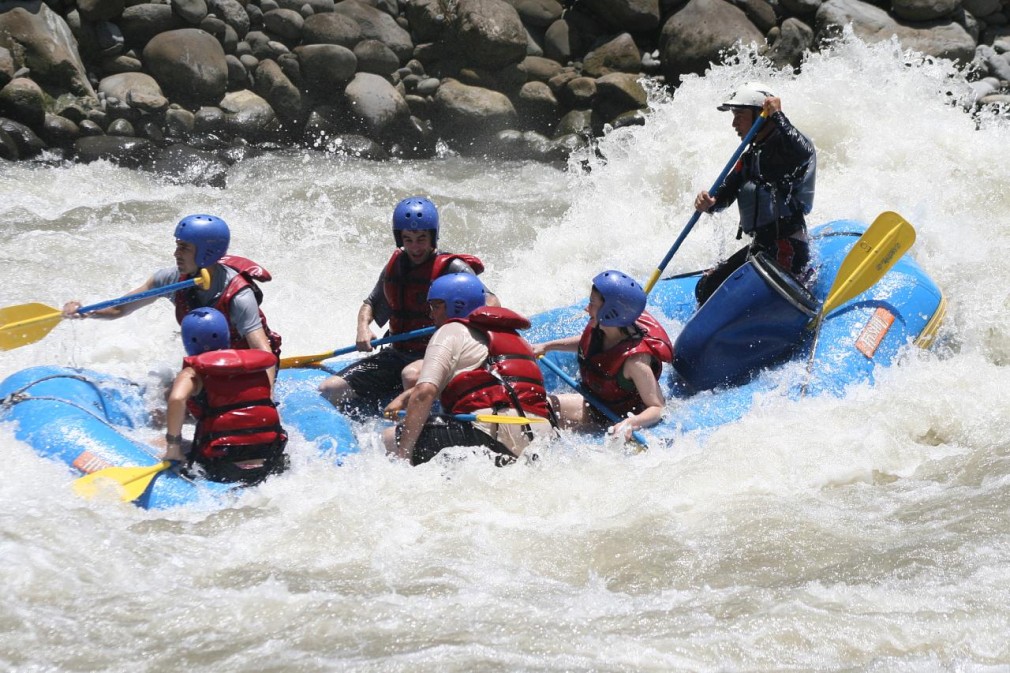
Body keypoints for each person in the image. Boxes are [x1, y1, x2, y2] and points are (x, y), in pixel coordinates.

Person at [319, 196, 499, 410]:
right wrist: (363, 329)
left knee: (410, 375)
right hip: (397, 353)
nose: (415, 247)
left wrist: (461, 324)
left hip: (437, 354)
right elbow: (371, 303)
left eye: (421, 238)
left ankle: (414, 427)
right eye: (408, 239)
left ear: (433, 236)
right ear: (400, 238)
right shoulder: (395, 267)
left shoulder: (451, 268)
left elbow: (491, 301)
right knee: (329, 389)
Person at [63, 214, 282, 378]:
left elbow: (264, 354)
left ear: (207, 252)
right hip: (208, 361)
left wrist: (267, 402)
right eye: (177, 246)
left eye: (184, 248)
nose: (176, 254)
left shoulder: (239, 295)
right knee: (161, 386)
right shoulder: (171, 279)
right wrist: (85, 312)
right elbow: (120, 308)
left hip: (243, 365)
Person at [382, 273, 553, 466]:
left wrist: (404, 455)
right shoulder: (517, 338)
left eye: (436, 306)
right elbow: (489, 381)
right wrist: (404, 399)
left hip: (495, 435)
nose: (431, 314)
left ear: (457, 305)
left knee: (389, 437)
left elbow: (425, 392)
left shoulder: (450, 331)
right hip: (539, 440)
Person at [693, 82, 816, 306]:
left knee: (759, 300)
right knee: (706, 287)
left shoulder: (786, 147)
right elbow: (725, 195)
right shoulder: (750, 156)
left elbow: (803, 154)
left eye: (739, 115)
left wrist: (778, 115)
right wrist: (709, 202)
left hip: (786, 245)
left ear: (762, 115)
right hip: (762, 246)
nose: (734, 123)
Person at [532, 270, 673, 440]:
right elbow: (585, 342)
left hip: (613, 415)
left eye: (592, 303)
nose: (586, 308)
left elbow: (658, 407)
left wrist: (630, 423)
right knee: (538, 406)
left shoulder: (635, 361)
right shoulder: (602, 330)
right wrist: (547, 346)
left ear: (609, 312)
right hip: (595, 403)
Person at [163, 308, 288, 485]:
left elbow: (176, 399)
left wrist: (172, 446)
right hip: (271, 459)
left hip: (223, 465)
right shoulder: (254, 365)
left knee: (161, 444)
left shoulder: (193, 372)